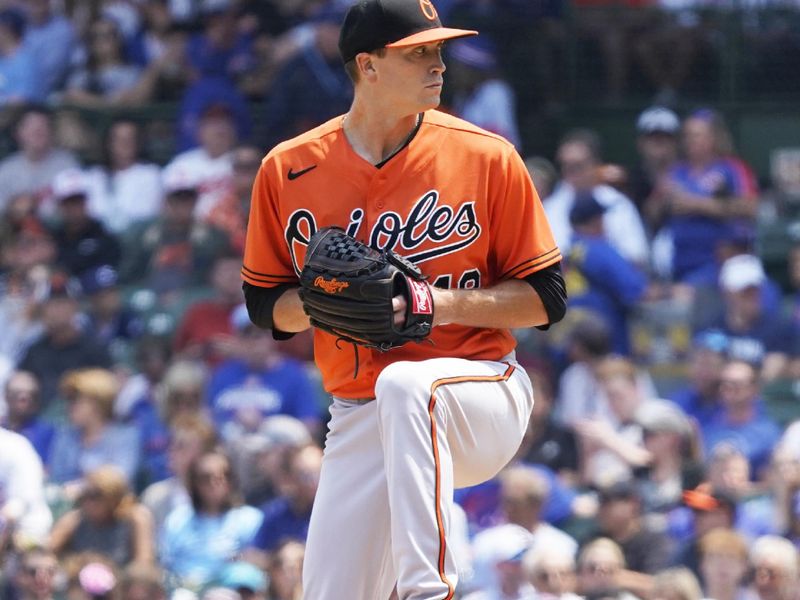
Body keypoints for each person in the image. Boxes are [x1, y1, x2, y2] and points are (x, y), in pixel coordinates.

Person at [240, 0, 567, 598]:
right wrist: (334, 300)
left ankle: (429, 589)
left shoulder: (486, 156)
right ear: (366, 65)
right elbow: (267, 307)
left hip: (479, 390)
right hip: (360, 414)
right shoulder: (287, 169)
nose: (438, 64)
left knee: (407, 385)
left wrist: (435, 304)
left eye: (439, 49)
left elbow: (546, 298)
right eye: (419, 52)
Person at [48, 465, 155, 568]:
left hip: (121, 583)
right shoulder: (76, 519)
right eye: (85, 495)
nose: (88, 502)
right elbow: (47, 550)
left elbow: (143, 565)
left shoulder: (135, 519)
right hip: (80, 583)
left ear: (113, 497)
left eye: (95, 496)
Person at [0, 105, 79, 212]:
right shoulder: (6, 170)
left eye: (43, 127)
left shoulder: (67, 164)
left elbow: (75, 208)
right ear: (18, 133)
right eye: (32, 127)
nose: (38, 132)